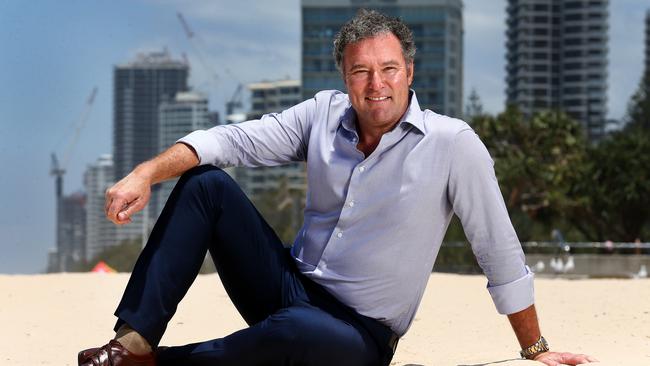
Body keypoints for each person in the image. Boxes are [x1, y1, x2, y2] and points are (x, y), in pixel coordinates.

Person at [78, 9, 597, 366]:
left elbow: (497, 248)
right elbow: (233, 139)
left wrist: (535, 349)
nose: (377, 85)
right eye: (362, 72)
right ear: (345, 77)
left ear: (410, 72)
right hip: (288, 288)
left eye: (389, 69)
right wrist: (146, 172)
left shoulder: (452, 144)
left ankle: (151, 365)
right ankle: (132, 340)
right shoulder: (322, 115)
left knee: (299, 334)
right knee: (207, 184)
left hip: (357, 335)